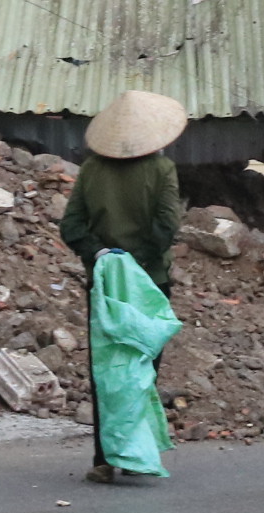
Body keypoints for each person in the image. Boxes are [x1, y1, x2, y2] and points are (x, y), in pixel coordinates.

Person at [61, 88, 186, 482]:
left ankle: (104, 459)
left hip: (104, 287)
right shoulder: (162, 171)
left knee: (107, 368)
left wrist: (101, 256)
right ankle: (135, 451)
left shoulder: (91, 171)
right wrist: (140, 265)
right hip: (150, 283)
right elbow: (166, 226)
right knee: (142, 367)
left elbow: (71, 226)